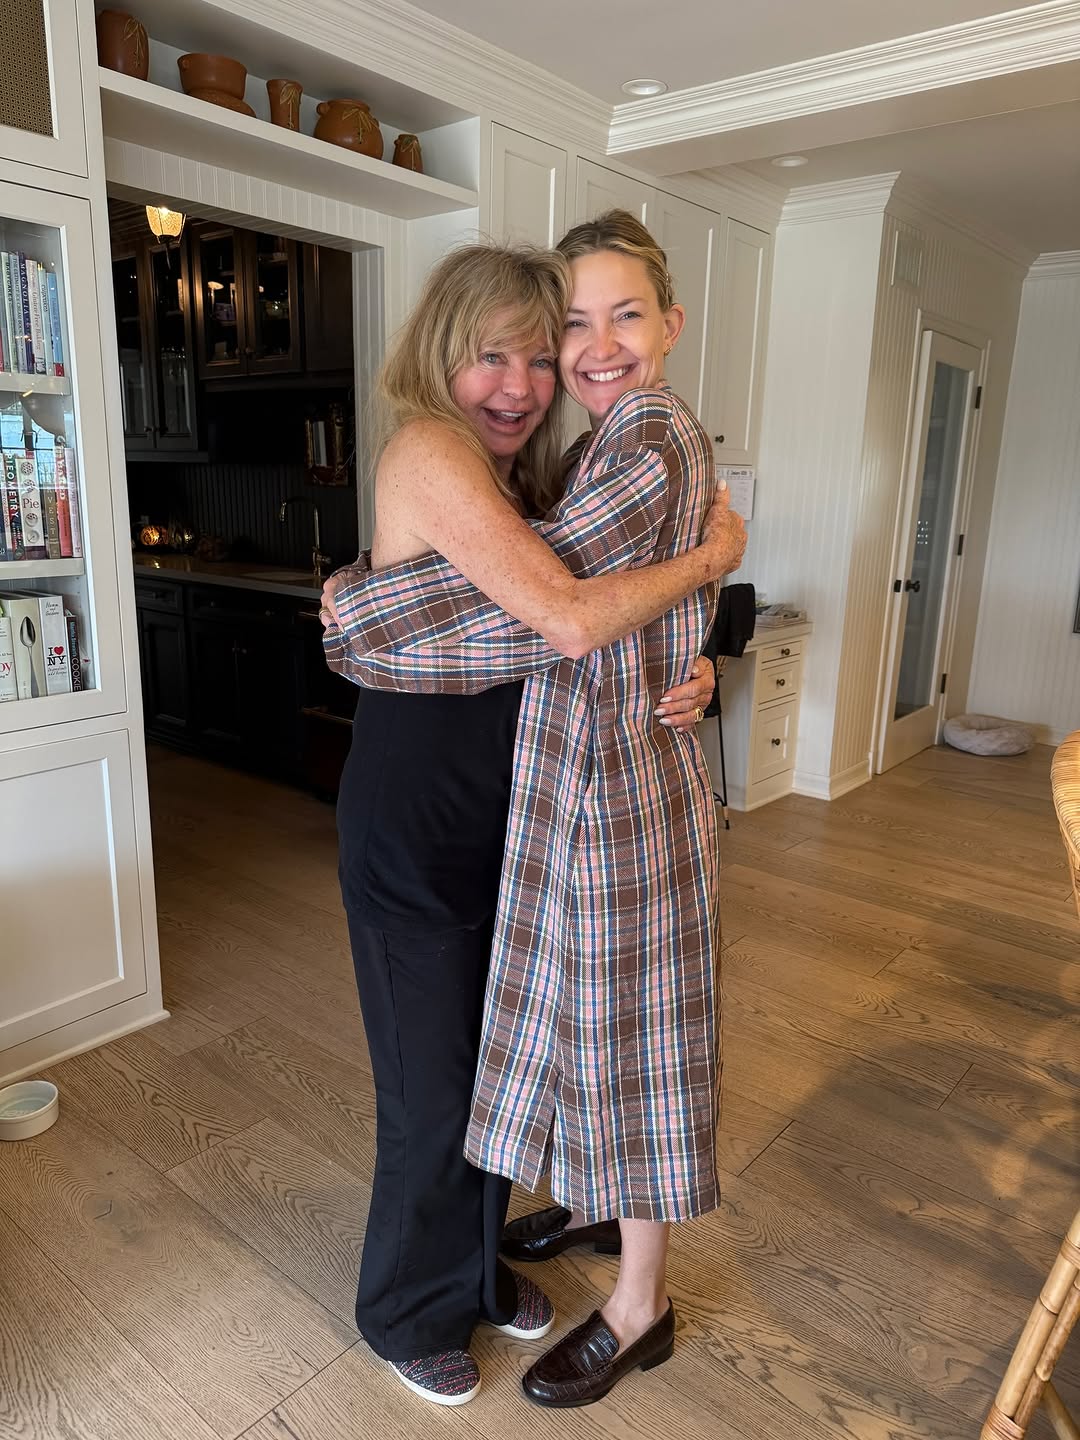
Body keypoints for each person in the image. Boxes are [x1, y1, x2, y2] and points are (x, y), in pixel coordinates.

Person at [321, 237, 745, 1407]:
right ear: (439, 356)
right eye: (490, 357)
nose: (519, 385)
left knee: (485, 1079)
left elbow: (528, 623)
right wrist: (715, 555)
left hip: (503, 828)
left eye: (535, 358)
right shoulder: (430, 449)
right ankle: (405, 1311)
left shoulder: (528, 480)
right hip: (415, 826)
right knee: (428, 1093)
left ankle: (467, 1270)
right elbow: (563, 615)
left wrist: (695, 662)